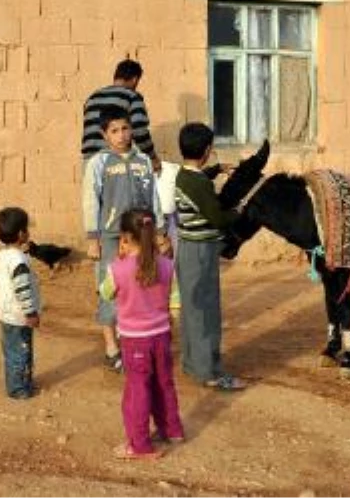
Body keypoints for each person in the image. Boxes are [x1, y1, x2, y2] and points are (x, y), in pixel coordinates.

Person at [82, 107, 163, 373]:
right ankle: (111, 347)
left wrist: (159, 232)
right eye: (114, 131)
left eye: (125, 128)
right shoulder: (98, 163)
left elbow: (154, 198)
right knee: (111, 288)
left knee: (142, 287)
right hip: (112, 238)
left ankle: (135, 342)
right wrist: (93, 238)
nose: (121, 135)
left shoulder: (142, 161)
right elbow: (90, 201)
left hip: (142, 235)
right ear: (105, 134)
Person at [100, 209, 184, 460]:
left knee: (137, 390)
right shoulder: (168, 265)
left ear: (125, 238)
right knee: (164, 383)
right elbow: (176, 302)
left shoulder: (118, 269)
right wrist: (170, 324)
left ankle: (139, 444)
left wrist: (118, 261)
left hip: (134, 340)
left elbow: (105, 293)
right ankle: (172, 429)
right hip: (161, 335)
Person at [173, 123, 246, 391]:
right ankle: (210, 372)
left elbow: (198, 187)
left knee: (192, 310)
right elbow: (216, 217)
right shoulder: (198, 184)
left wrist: (217, 170)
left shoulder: (184, 176)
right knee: (207, 311)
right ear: (207, 150)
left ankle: (193, 363)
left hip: (188, 249)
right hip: (201, 252)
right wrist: (241, 211)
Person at [0, 206, 41, 400]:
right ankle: (18, 388)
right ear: (21, 233)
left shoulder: (4, 255)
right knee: (21, 351)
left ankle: (19, 382)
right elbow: (23, 289)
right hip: (19, 315)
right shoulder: (18, 260)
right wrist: (31, 313)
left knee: (13, 350)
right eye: (27, 228)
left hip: (7, 313)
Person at [80, 59, 161, 173]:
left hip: (89, 162)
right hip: (113, 162)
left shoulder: (92, 98)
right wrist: (152, 158)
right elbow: (140, 131)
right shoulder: (131, 96)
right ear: (135, 79)